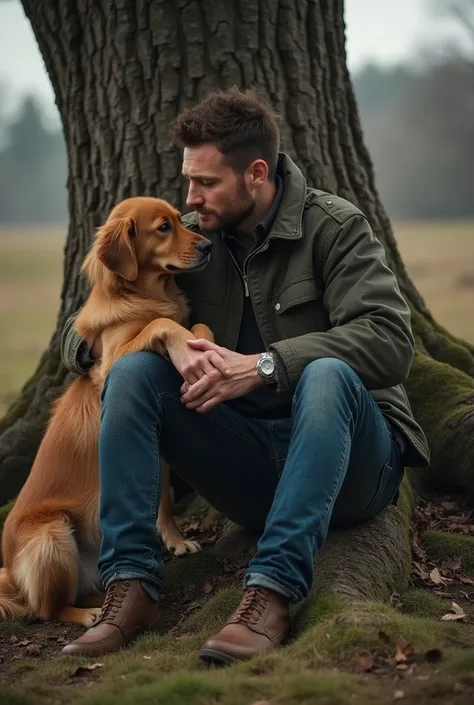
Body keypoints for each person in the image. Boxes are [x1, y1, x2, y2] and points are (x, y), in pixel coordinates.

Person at [59, 87, 429, 662]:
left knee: (327, 373)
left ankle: (270, 595)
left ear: (255, 173)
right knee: (131, 375)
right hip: (248, 466)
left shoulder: (334, 228)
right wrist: (144, 341)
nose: (191, 198)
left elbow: (390, 341)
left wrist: (266, 366)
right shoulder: (186, 240)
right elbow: (82, 328)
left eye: (206, 183)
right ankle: (129, 587)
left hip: (353, 470)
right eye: (188, 181)